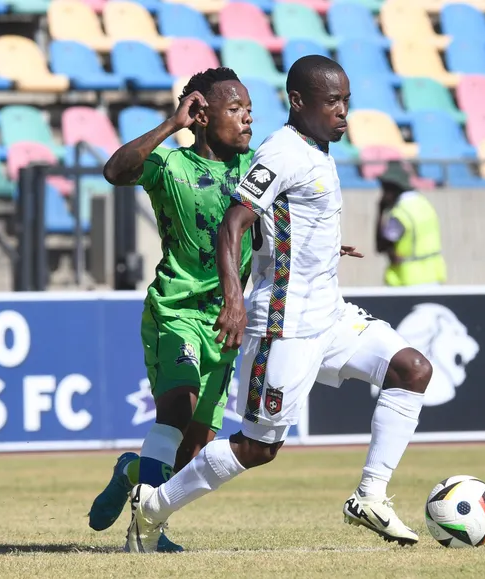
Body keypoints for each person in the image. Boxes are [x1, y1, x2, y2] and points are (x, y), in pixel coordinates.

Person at [124, 55, 433, 553]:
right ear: (298, 102)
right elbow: (233, 223)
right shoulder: (282, 152)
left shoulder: (316, 149)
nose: (343, 112)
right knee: (257, 447)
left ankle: (370, 496)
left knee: (411, 370)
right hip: (284, 324)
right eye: (332, 102)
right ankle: (153, 507)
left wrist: (324, 247)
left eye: (346, 101)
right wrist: (234, 300)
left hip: (330, 315)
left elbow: (282, 223)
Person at [89, 67, 255, 552]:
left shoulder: (255, 169)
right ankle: (149, 532)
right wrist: (170, 124)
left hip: (225, 320)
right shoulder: (169, 164)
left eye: (250, 110)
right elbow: (115, 171)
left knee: (193, 451)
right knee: (177, 407)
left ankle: (131, 471)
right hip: (176, 309)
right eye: (235, 109)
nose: (247, 118)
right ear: (202, 116)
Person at [375, 161, 446, 287]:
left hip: (408, 280)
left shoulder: (400, 213)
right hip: (434, 276)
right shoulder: (424, 203)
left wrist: (380, 211)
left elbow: (381, 246)